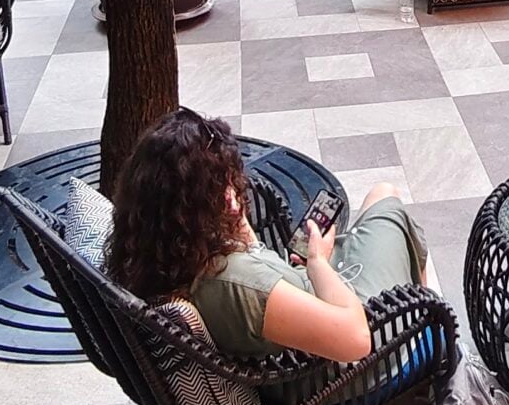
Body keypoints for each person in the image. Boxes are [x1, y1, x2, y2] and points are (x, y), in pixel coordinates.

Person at [106, 107, 431, 362]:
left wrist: (240, 231)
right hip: (357, 344)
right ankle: (425, 345)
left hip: (311, 310)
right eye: (218, 190)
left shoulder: (173, 263)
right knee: (388, 201)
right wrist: (318, 263)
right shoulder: (236, 284)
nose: (233, 197)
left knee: (378, 198)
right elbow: (357, 339)